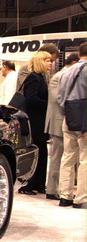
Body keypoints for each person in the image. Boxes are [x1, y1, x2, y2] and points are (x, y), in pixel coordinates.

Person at [44, 52, 80, 200]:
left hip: (67, 121)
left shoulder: (64, 76)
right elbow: (59, 100)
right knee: (57, 157)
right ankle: (52, 189)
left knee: (65, 157)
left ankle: (60, 188)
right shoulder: (58, 77)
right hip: (59, 122)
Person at [17, 51, 53, 195]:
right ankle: (29, 185)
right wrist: (49, 104)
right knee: (36, 152)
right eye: (47, 60)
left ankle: (39, 184)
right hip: (34, 121)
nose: (50, 63)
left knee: (42, 152)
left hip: (39, 121)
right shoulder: (33, 78)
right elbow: (31, 99)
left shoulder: (41, 78)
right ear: (39, 62)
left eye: (50, 61)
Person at [56, 42, 87, 209]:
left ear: (79, 53)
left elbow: (59, 99)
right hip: (84, 120)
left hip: (68, 118)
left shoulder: (66, 72)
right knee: (85, 159)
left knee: (67, 158)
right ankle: (81, 198)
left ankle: (64, 196)